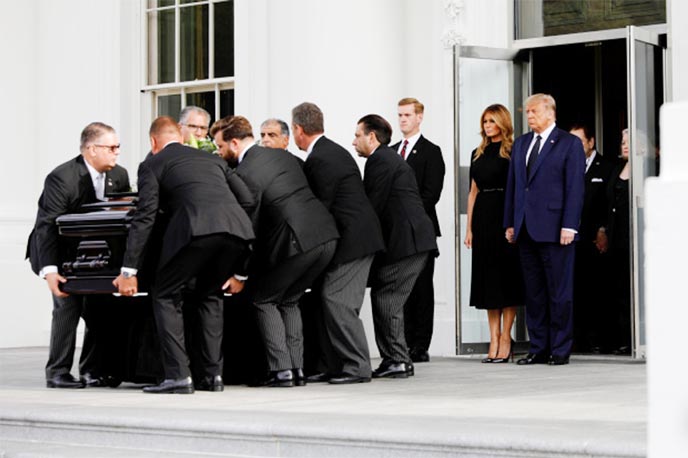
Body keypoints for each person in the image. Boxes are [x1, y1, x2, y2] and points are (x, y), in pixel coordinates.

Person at [114, 116, 255, 394]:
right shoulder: (213, 160)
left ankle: (178, 375)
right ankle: (213, 376)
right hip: (237, 232)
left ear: (154, 142)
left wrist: (128, 270)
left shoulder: (152, 164)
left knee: (165, 294)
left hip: (195, 232)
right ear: (180, 137)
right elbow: (248, 198)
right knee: (210, 295)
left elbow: (146, 216)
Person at [211, 115, 339, 388]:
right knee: (289, 300)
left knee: (264, 301)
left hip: (296, 242)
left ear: (234, 143)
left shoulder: (245, 174)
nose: (219, 154)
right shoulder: (283, 157)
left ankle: (281, 371)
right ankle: (297, 369)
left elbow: (249, 226)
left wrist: (240, 274)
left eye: (220, 147)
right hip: (325, 236)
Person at [26, 122, 130, 388]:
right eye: (112, 147)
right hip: (60, 253)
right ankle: (57, 372)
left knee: (100, 309)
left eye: (118, 147)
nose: (117, 152)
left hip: (96, 254)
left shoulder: (119, 175)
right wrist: (50, 270)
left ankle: (91, 371)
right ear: (92, 149)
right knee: (67, 308)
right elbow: (47, 224)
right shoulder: (63, 177)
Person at [291, 102, 385, 384]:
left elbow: (321, 207)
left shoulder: (320, 158)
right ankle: (337, 364)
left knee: (337, 301)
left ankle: (357, 366)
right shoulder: (329, 151)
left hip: (354, 241)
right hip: (357, 238)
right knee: (333, 299)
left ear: (297, 129)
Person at [352, 114, 437, 379]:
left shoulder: (380, 161)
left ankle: (397, 360)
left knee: (387, 297)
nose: (353, 141)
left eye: (357, 135)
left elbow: (372, 207)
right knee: (386, 295)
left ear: (372, 137)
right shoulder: (387, 159)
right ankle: (397, 359)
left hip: (408, 242)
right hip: (412, 241)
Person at [504, 93, 585, 366]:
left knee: (559, 292)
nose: (529, 116)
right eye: (526, 112)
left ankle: (560, 350)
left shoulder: (569, 143)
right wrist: (510, 222)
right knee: (534, 293)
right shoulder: (521, 144)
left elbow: (575, 188)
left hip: (556, 229)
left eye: (534, 111)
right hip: (526, 228)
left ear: (550, 112)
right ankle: (538, 348)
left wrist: (570, 225)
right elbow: (515, 187)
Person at [464, 104, 524, 363]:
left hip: (505, 215)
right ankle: (493, 336)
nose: (487, 126)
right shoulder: (477, 153)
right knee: (487, 279)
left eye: (492, 121)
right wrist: (469, 228)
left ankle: (506, 337)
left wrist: (515, 222)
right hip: (483, 218)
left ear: (502, 123)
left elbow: (519, 188)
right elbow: (473, 192)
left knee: (507, 279)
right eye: (485, 121)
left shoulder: (513, 151)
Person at [391, 98, 445, 363]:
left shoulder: (430, 151)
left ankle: (420, 344)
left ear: (420, 117)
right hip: (395, 234)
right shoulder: (390, 151)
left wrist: (406, 216)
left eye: (408, 115)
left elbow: (431, 193)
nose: (403, 119)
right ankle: (403, 341)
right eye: (400, 115)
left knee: (422, 289)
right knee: (400, 288)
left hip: (420, 229)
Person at [569, 123, 614, 353]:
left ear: (591, 142)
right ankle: (577, 339)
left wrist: (603, 229)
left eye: (579, 141)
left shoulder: (606, 167)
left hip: (596, 241)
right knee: (575, 291)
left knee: (597, 291)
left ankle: (598, 339)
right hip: (572, 240)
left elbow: (610, 203)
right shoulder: (567, 167)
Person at [602, 129, 632, 355]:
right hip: (616, 238)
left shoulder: (648, 168)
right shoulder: (616, 169)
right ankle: (622, 338)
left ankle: (636, 339)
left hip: (635, 238)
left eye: (629, 142)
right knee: (618, 289)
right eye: (622, 142)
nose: (624, 146)